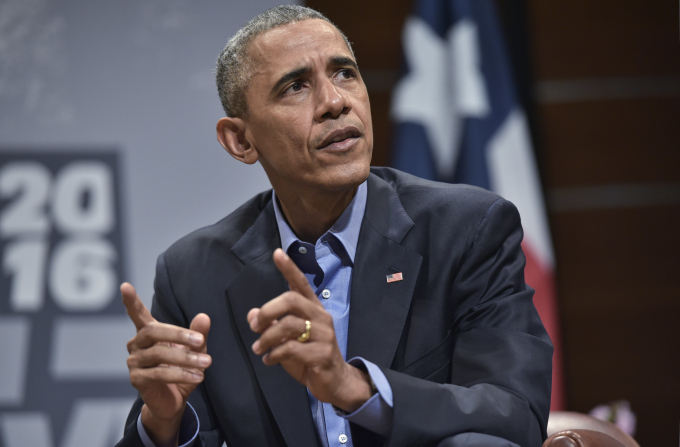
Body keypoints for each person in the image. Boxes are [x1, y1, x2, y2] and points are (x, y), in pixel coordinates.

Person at [115, 5, 552, 447]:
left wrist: (352, 386)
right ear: (241, 140)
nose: (335, 102)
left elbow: (514, 416)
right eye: (296, 87)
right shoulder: (193, 274)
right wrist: (163, 422)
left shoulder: (466, 229)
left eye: (345, 73)